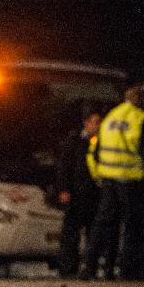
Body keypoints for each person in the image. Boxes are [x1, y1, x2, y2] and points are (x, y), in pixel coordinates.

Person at [82, 85, 144, 280]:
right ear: (141, 101)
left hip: (109, 179)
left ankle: (88, 267)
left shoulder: (111, 117)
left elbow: (98, 149)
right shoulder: (142, 119)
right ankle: (128, 271)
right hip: (131, 180)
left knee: (102, 224)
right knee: (133, 226)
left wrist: (100, 175)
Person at [55, 107, 103, 276]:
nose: (98, 126)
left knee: (93, 233)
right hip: (76, 194)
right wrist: (64, 189)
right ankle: (68, 268)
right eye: (95, 122)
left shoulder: (101, 142)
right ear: (86, 122)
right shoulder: (74, 141)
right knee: (71, 233)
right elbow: (64, 167)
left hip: (94, 194)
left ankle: (90, 267)